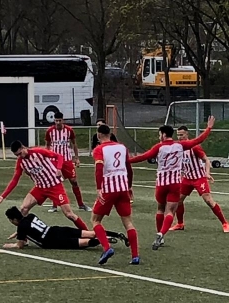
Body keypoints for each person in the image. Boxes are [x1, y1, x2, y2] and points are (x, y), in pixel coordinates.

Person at [129, 115, 215, 250]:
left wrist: (126, 161)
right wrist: (208, 128)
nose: (159, 137)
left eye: (159, 135)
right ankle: (161, 234)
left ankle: (159, 234)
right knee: (170, 211)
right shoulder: (180, 145)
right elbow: (198, 140)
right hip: (174, 183)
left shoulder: (159, 147)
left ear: (164, 135)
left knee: (160, 209)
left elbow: (143, 157)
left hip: (161, 183)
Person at [0, 140, 89, 232]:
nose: (19, 156)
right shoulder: (20, 162)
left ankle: (89, 234)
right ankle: (23, 238)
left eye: (20, 153)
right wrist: (3, 196)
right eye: (17, 155)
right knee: (23, 209)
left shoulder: (38, 152)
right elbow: (15, 180)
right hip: (40, 188)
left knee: (69, 214)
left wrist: (59, 168)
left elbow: (59, 156)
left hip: (55, 186)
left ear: (23, 147)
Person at [91, 123, 140, 265]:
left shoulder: (99, 149)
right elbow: (129, 169)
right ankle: (135, 256)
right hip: (123, 188)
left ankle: (107, 248)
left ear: (99, 135)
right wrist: (129, 186)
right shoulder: (122, 147)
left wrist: (99, 188)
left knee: (95, 220)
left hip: (108, 189)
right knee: (128, 222)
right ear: (110, 134)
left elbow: (99, 169)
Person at [170, 125, 229, 233]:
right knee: (178, 200)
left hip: (199, 178)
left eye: (182, 135)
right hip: (187, 178)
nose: (179, 137)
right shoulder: (178, 148)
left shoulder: (194, 147)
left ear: (187, 134)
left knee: (208, 200)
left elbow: (206, 160)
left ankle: (225, 223)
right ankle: (180, 224)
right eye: (178, 135)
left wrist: (207, 173)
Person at [3, 206, 127, 251]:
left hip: (51, 241)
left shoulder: (21, 228)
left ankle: (102, 240)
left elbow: (20, 245)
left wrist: (12, 245)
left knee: (81, 242)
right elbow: (29, 228)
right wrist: (18, 232)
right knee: (90, 233)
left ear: (14, 220)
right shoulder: (30, 216)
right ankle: (116, 234)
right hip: (55, 230)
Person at [45, 111, 89, 212]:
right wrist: (47, 158)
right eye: (56, 121)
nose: (58, 123)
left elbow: (74, 144)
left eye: (59, 121)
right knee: (55, 182)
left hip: (67, 160)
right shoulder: (50, 131)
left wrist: (76, 157)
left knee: (74, 181)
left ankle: (81, 204)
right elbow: (47, 145)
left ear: (63, 120)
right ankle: (54, 206)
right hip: (55, 161)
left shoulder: (69, 130)